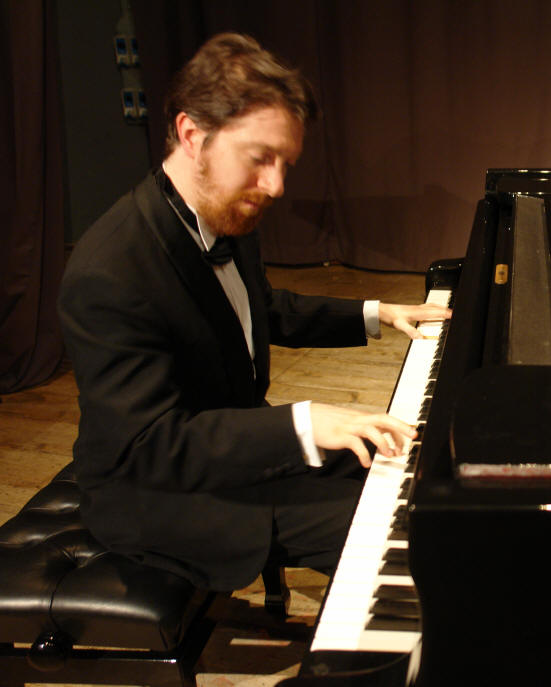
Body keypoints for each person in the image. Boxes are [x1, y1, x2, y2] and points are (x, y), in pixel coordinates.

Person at [57, 32, 450, 592]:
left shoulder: (225, 212)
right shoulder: (109, 270)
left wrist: (376, 312)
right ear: (192, 134)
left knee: (414, 458)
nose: (276, 185)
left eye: (285, 163)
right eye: (260, 158)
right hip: (158, 495)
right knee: (403, 530)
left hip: (228, 446)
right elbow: (149, 445)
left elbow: (259, 308)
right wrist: (303, 423)